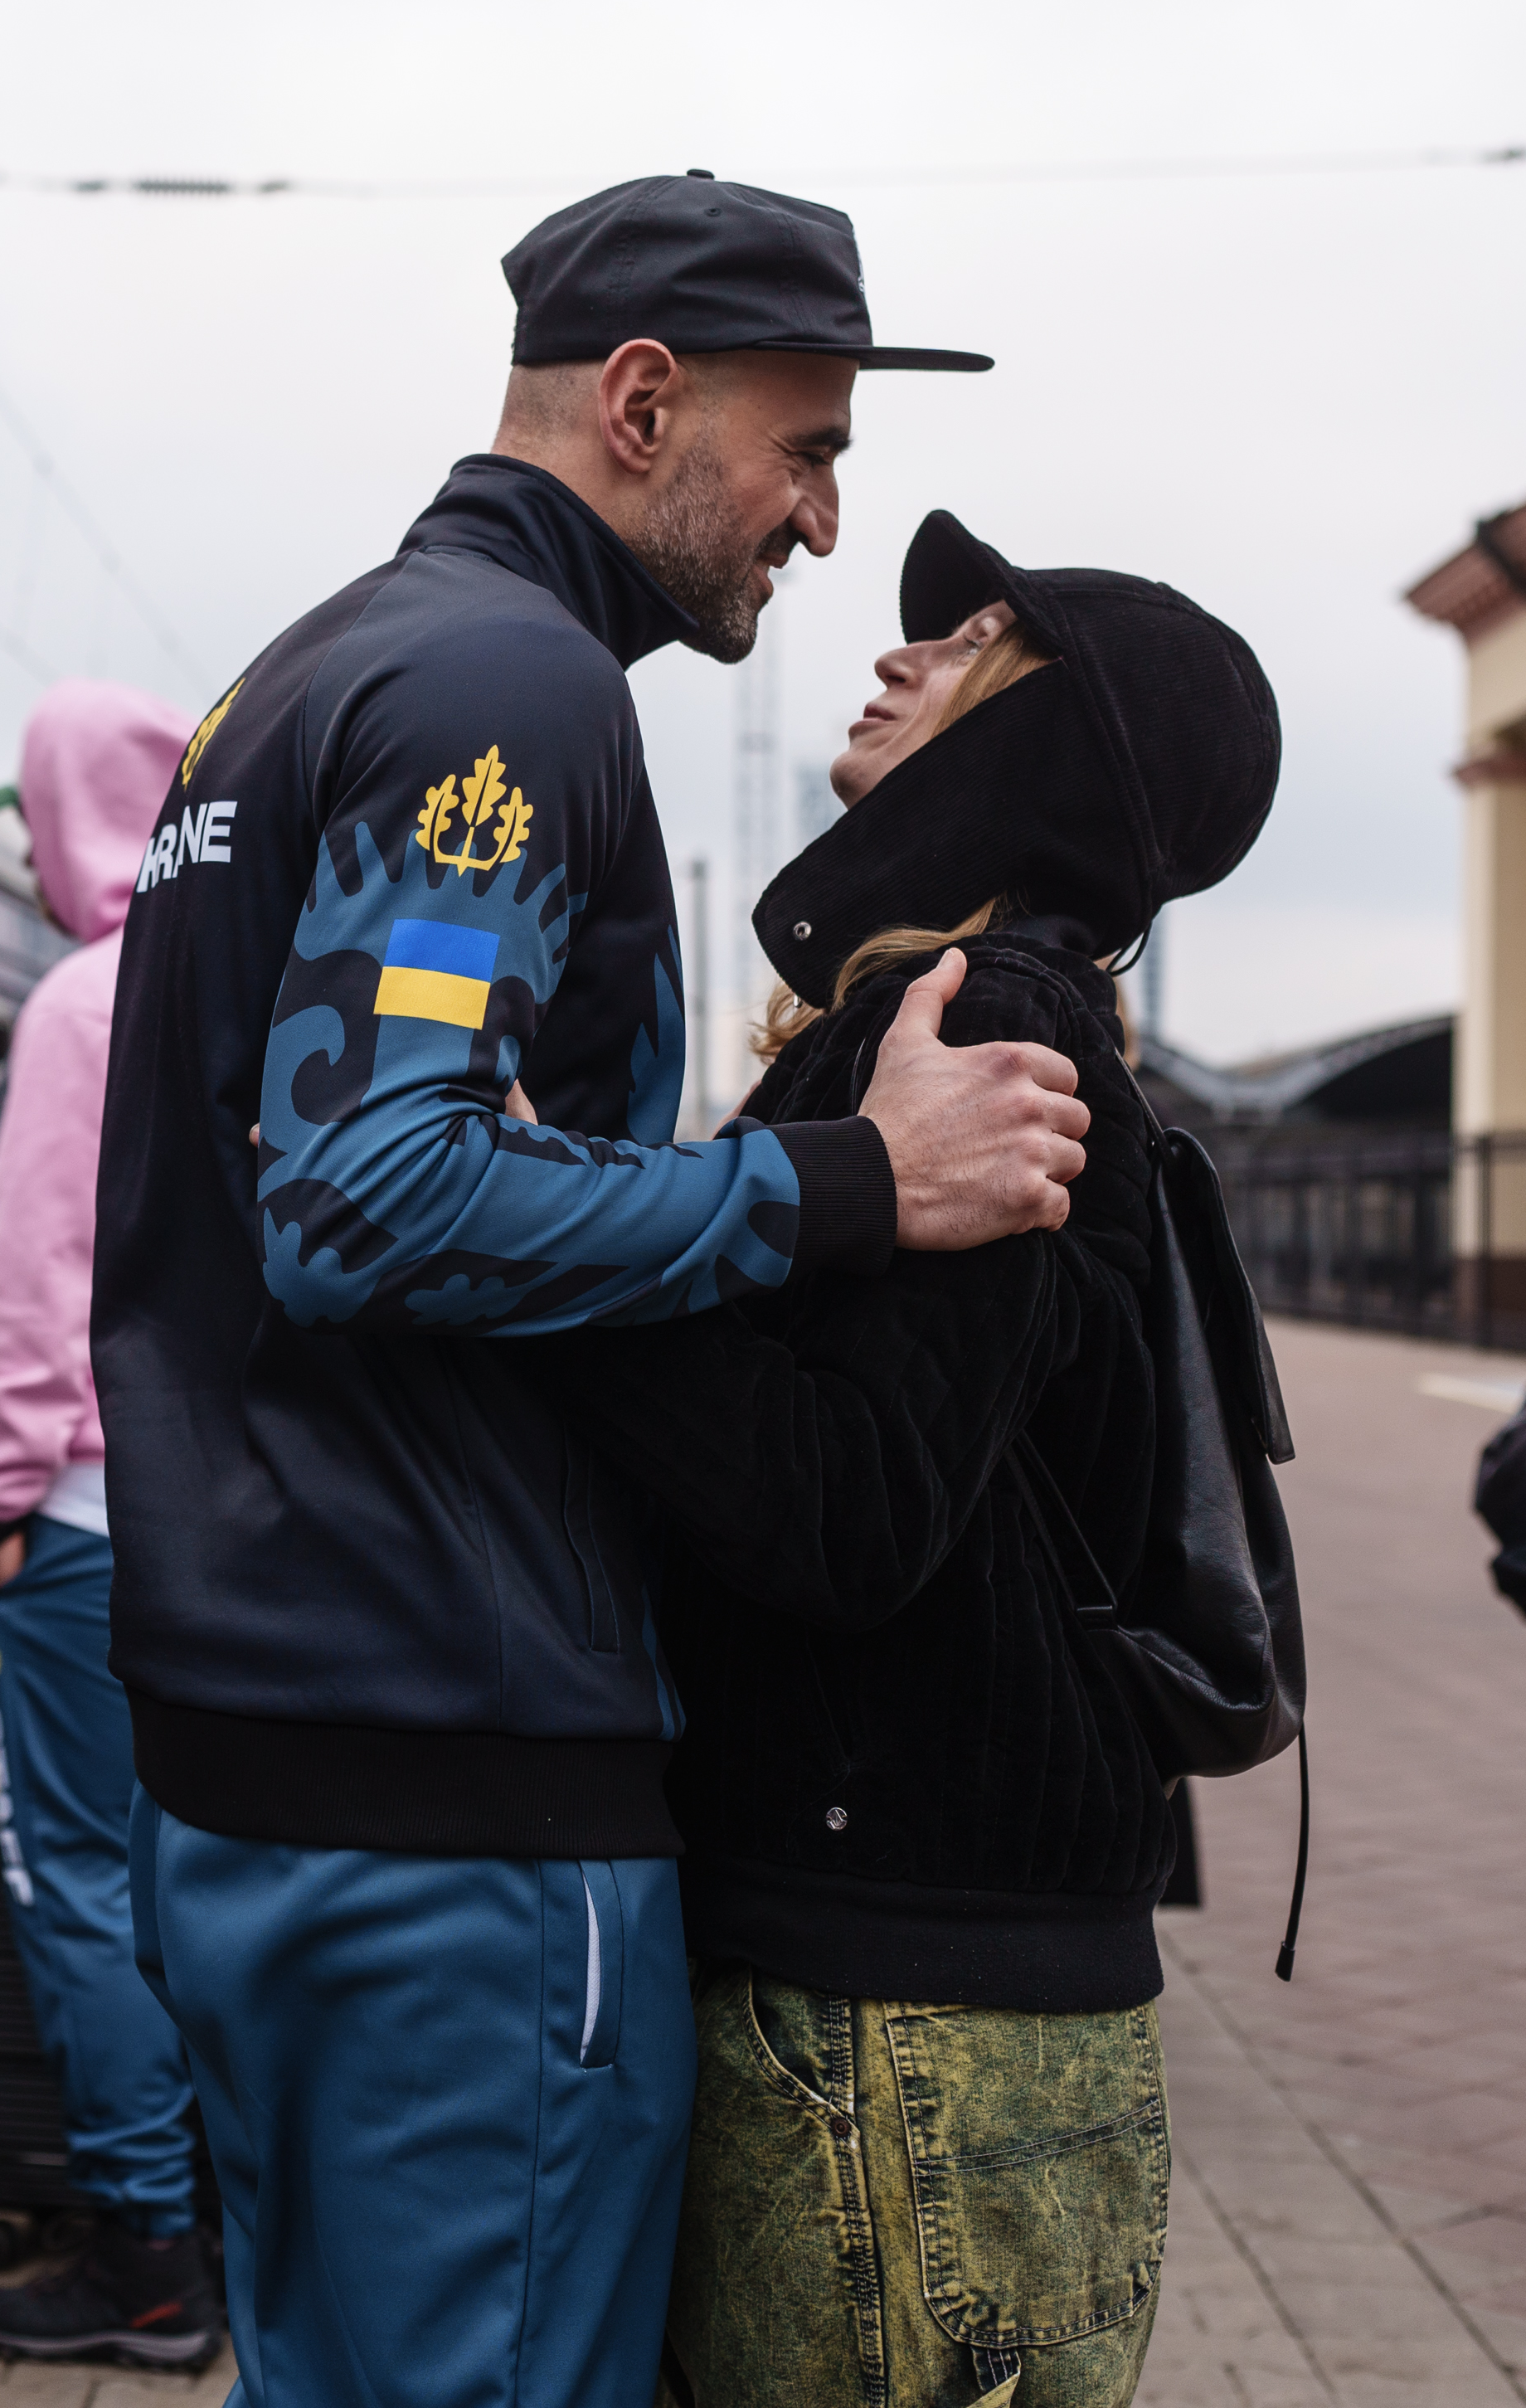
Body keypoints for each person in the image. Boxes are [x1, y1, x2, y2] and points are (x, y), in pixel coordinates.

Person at [93, 173, 1093, 2408]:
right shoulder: (507, 688)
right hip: (448, 1770)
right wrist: (848, 1178)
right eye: (807, 449)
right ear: (646, 403)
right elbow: (363, 1194)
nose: (826, 522)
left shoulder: (305, 670)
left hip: (259, 1746)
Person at [518, 514, 1278, 2408]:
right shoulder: (993, 1018)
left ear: (1051, 746)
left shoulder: (982, 1020)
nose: (897, 647)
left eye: (972, 642)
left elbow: (842, 1509)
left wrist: (547, 1242)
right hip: (937, 1997)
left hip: (901, 2016)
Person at [0, 682, 217, 2367]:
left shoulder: (82, 1002)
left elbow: (40, 1279)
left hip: (89, 1515)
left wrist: (3, 1483)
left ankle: (145, 2256)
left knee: (81, 1879)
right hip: (222, 1524)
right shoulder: (247, 970)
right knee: (189, 1876)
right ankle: (220, 2208)